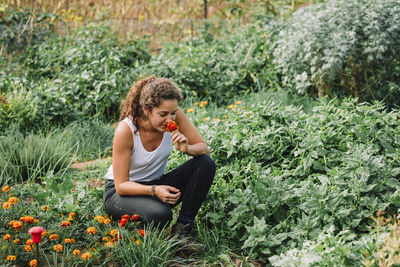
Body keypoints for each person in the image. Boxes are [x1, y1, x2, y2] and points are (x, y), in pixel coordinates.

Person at [103, 76, 216, 246]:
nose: (170, 120)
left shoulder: (173, 116)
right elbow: (121, 185)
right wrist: (155, 190)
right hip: (121, 193)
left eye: (173, 113)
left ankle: (182, 229)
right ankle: (141, 225)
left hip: (156, 183)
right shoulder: (126, 130)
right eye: (163, 114)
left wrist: (188, 149)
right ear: (147, 109)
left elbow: (203, 147)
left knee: (205, 163)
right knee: (161, 215)